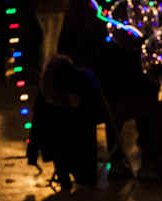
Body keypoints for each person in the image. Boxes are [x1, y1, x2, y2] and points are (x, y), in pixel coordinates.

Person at [27, 54, 114, 192]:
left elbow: (38, 123)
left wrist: (32, 152)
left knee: (61, 140)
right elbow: (100, 114)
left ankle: (67, 175)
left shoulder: (50, 91)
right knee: (84, 177)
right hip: (78, 141)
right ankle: (72, 175)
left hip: (69, 140)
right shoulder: (83, 82)